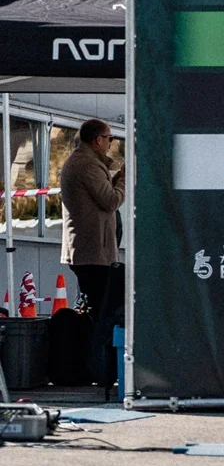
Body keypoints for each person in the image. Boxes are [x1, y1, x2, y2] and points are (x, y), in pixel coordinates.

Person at [58, 119, 124, 382]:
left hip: (93, 251)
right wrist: (125, 180)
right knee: (102, 313)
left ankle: (100, 369)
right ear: (98, 140)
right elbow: (110, 200)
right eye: (109, 138)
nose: (111, 143)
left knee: (99, 309)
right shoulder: (86, 165)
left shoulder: (86, 162)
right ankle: (101, 370)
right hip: (93, 252)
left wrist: (116, 175)